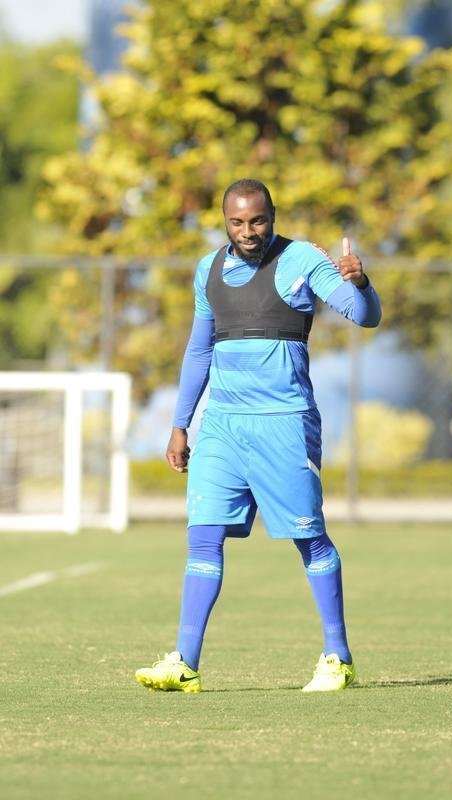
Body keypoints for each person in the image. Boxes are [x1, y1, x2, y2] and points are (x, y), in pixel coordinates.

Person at [135, 179, 381, 693]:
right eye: (237, 222)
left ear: (273, 215)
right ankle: (185, 663)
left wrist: (360, 282)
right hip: (222, 426)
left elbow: (365, 317)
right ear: (224, 221)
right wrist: (181, 424)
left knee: (308, 539)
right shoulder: (208, 270)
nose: (248, 232)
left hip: (284, 423)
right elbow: (199, 352)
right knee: (202, 538)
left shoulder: (302, 262)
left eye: (258, 221)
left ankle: (338, 657)